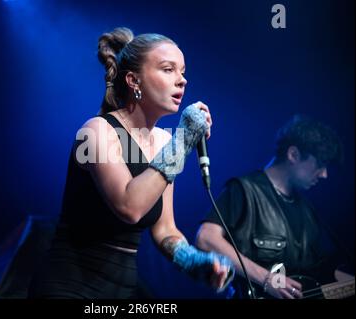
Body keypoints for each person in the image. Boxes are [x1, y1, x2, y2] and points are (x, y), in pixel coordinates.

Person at [29, 27, 234, 299]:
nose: (182, 80)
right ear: (133, 80)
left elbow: (164, 230)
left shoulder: (164, 142)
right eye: (168, 69)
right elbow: (130, 206)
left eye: (183, 71)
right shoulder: (97, 131)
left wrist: (196, 262)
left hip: (123, 289)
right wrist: (183, 140)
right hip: (71, 287)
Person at [196, 115, 348, 299]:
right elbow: (206, 238)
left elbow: (317, 272)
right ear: (293, 154)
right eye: (320, 164)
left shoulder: (308, 210)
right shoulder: (245, 190)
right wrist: (268, 279)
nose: (324, 174)